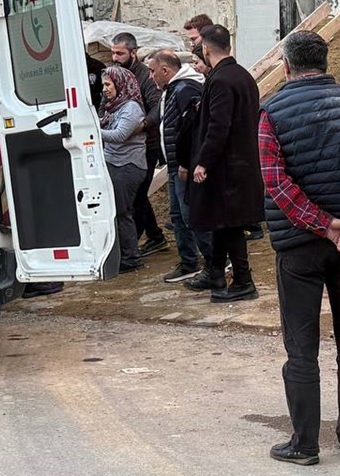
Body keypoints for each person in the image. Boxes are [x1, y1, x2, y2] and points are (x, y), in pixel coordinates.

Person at [260, 31, 340, 465]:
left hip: (299, 247)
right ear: (326, 60)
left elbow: (276, 183)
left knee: (301, 348)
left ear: (286, 66)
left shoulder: (271, 112)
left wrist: (323, 225)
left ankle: (305, 444)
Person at [185, 24, 265, 302]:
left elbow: (219, 126)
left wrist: (203, 162)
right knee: (221, 221)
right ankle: (216, 272)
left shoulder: (221, 80)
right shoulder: (242, 75)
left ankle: (243, 280)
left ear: (206, 49)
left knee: (230, 225)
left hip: (227, 167)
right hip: (240, 163)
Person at [148, 49, 209, 283]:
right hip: (174, 164)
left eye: (153, 71)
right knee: (178, 215)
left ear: (165, 70)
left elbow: (193, 128)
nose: (151, 76)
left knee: (191, 214)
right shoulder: (173, 90)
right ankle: (189, 262)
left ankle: (214, 260)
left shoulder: (186, 89)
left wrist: (187, 162)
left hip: (184, 166)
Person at [111, 32, 167, 256]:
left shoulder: (145, 76)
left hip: (146, 145)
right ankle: (155, 236)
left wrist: (142, 126)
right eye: (113, 53)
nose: (115, 58)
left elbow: (156, 107)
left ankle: (135, 243)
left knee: (138, 195)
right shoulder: (116, 74)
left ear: (133, 53)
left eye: (120, 53)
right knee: (136, 194)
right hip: (121, 145)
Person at [99, 65, 148, 274]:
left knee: (122, 212)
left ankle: (131, 257)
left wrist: (91, 130)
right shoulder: (112, 107)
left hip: (127, 165)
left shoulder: (131, 108)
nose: (105, 89)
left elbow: (120, 135)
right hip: (114, 163)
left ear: (120, 84)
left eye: (108, 85)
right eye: (103, 85)